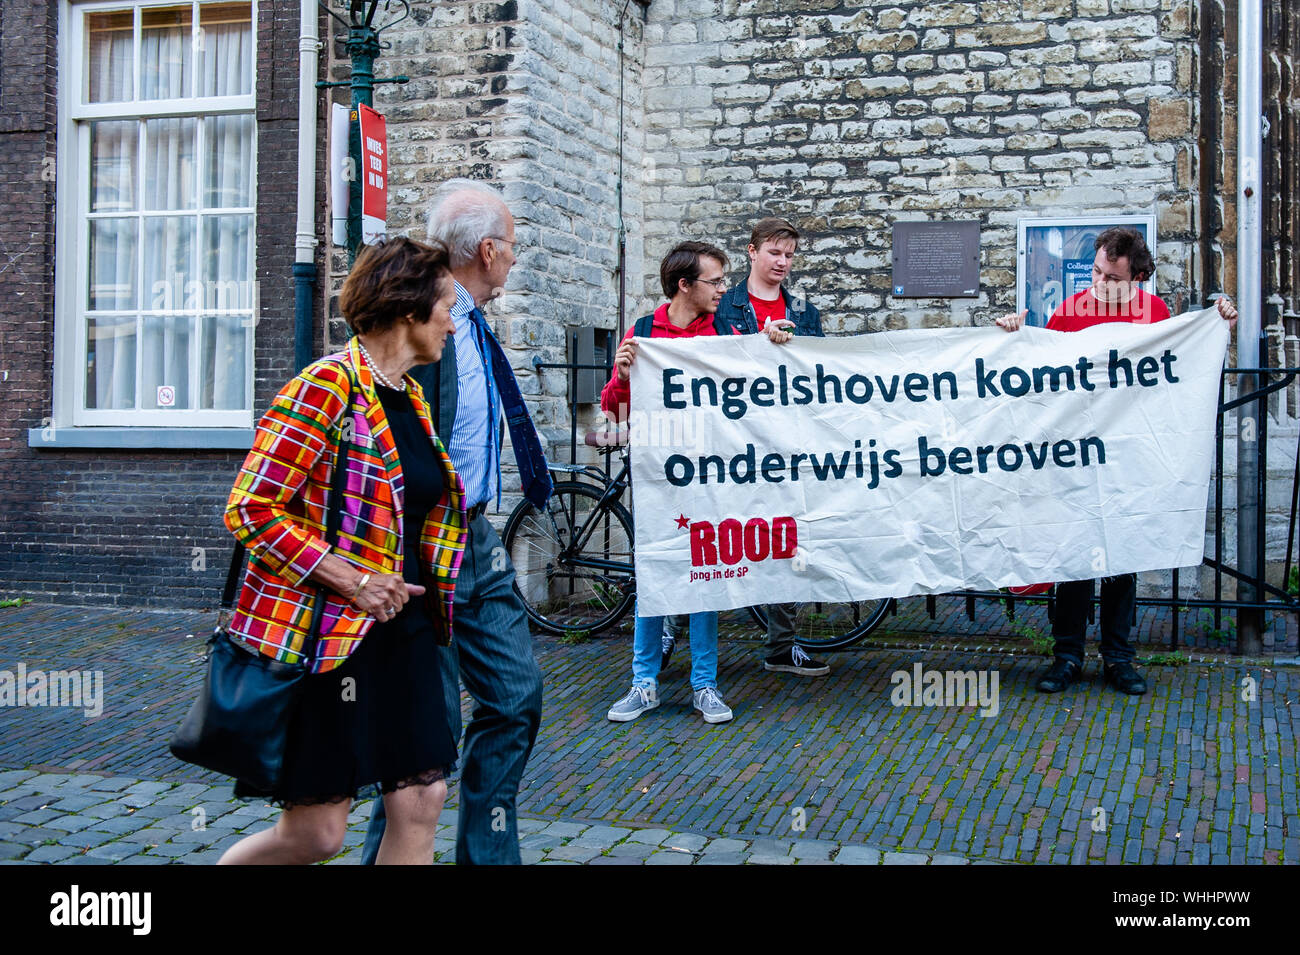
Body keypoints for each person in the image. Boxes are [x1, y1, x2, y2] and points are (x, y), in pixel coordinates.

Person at [217, 237, 464, 864]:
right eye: (445, 305)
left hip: (403, 629)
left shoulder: (409, 396)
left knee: (423, 798)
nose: (452, 320)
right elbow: (250, 507)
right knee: (319, 836)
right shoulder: (325, 386)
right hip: (331, 638)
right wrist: (352, 579)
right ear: (409, 309)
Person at [361, 179, 551, 866]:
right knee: (427, 736)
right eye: (513, 249)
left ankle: (487, 855)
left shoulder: (470, 319)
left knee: (515, 693)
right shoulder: (424, 315)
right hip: (416, 546)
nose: (514, 263)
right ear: (490, 250)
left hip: (475, 533)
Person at [997, 226, 1238, 696]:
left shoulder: (1157, 315)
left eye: (1111, 278)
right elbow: (1042, 381)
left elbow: (1180, 377)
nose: (1099, 285)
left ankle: (1119, 659)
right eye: (1095, 272)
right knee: (1072, 563)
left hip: (1130, 459)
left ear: (1139, 278)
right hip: (1076, 458)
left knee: (1121, 561)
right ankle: (1066, 656)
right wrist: (1015, 337)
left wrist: (1217, 326)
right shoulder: (1069, 313)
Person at [602, 240, 792, 724]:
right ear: (684, 285)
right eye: (714, 281)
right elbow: (613, 407)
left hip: (710, 477)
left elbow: (756, 386)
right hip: (661, 480)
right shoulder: (645, 333)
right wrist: (623, 376)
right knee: (656, 574)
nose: (723, 289)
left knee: (707, 575)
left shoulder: (725, 331)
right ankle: (643, 683)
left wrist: (768, 346)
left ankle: (704, 685)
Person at [713, 215, 830, 677]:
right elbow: (710, 364)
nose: (782, 262)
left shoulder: (803, 311)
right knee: (716, 535)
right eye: (774, 253)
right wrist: (759, 347)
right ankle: (672, 629)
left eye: (789, 255)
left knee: (788, 538)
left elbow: (821, 371)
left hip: (788, 444)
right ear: (752, 251)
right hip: (734, 445)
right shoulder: (725, 307)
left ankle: (782, 644)